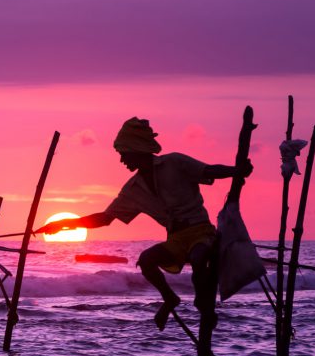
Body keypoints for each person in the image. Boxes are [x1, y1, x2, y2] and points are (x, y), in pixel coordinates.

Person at [36, 117, 252, 330]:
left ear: (137, 150)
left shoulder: (174, 162)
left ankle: (204, 307)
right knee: (146, 260)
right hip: (175, 239)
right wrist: (64, 224)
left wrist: (237, 171)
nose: (122, 161)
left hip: (201, 231)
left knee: (198, 258)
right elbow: (105, 218)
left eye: (124, 155)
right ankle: (170, 298)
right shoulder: (133, 190)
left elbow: (208, 170)